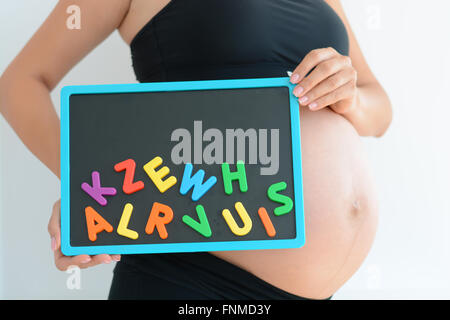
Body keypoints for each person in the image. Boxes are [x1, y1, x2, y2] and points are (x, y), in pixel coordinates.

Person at [0, 0, 391, 299]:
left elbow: (379, 109)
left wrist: (349, 98)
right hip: (192, 278)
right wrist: (85, 187)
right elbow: (19, 83)